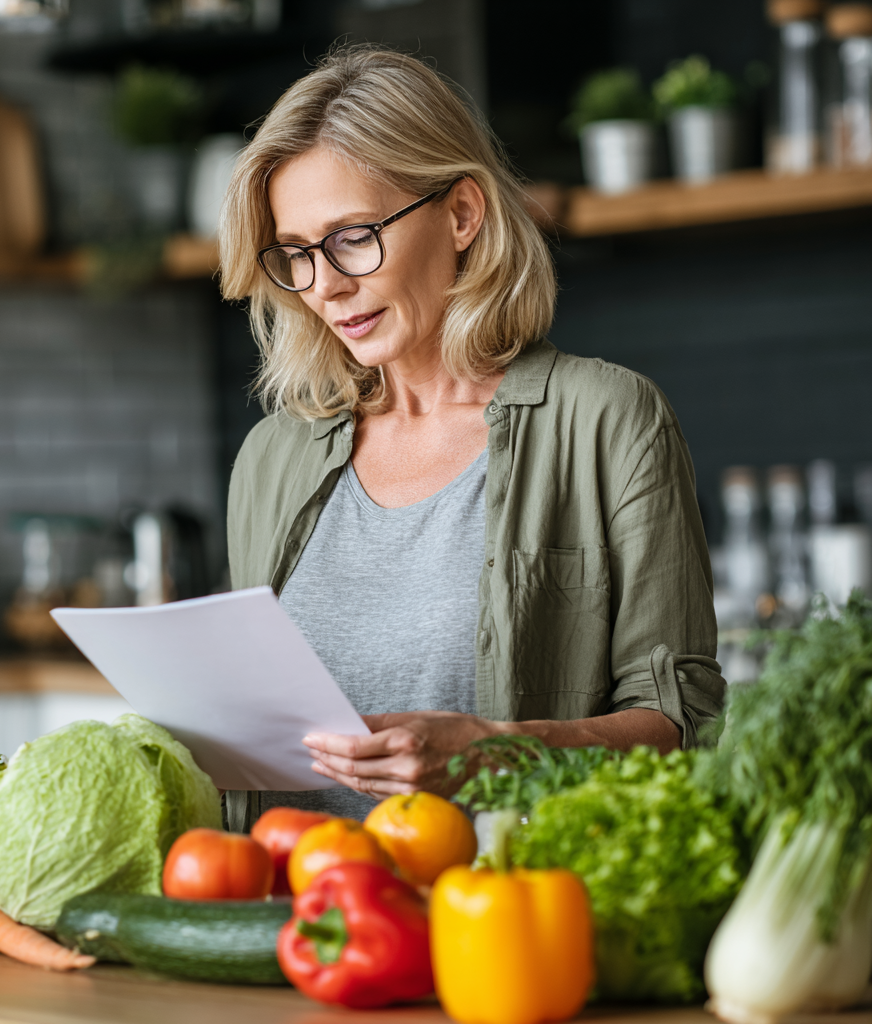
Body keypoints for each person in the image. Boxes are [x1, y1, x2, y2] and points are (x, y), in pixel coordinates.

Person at [218, 46, 724, 830]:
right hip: (277, 927)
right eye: (296, 254)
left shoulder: (606, 420)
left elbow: (681, 719)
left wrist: (496, 754)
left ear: (462, 212)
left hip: (493, 925)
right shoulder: (272, 458)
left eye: (353, 236)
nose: (325, 285)